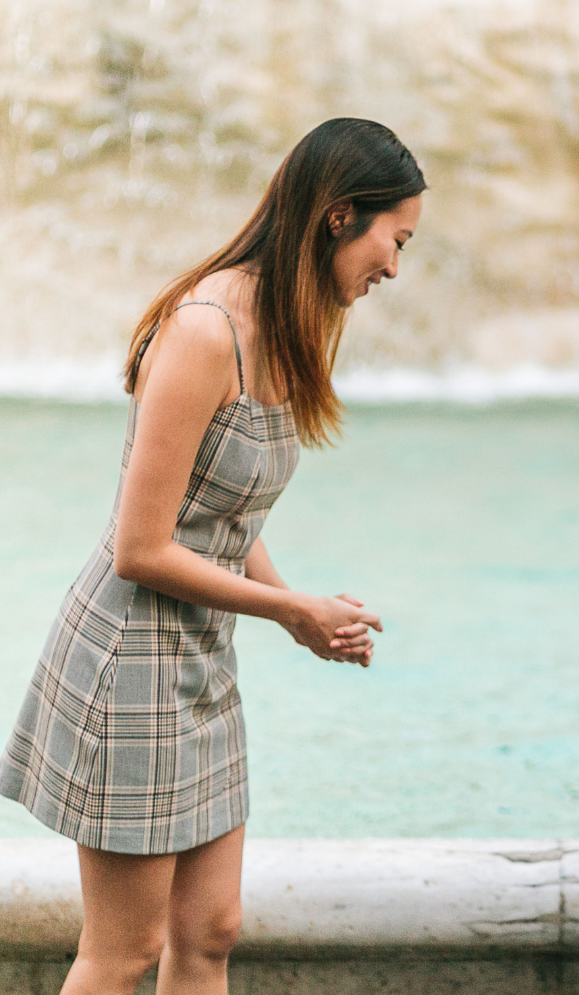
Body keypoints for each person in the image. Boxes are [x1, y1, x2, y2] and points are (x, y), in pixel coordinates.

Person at [0, 118, 425, 995]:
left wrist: (297, 606)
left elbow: (224, 515)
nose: (394, 267)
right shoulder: (206, 330)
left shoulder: (284, 327)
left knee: (211, 930)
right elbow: (140, 546)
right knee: (123, 950)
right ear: (340, 216)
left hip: (199, 653)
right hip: (129, 660)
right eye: (395, 240)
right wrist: (289, 611)